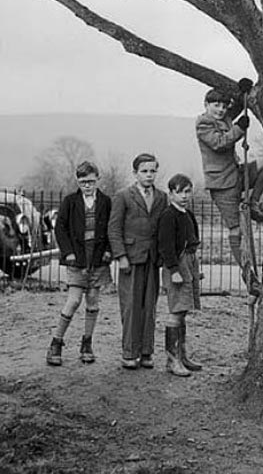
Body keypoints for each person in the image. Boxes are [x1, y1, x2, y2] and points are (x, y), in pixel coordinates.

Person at [195, 87, 263, 296]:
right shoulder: (203, 123)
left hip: (237, 173)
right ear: (206, 105)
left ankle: (253, 203)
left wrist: (239, 89)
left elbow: (233, 111)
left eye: (223, 106)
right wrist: (239, 129)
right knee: (236, 230)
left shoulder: (223, 117)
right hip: (221, 185)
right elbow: (219, 143)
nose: (220, 109)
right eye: (215, 105)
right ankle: (249, 277)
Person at [46, 161, 112, 366]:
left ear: (97, 179)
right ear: (78, 181)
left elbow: (112, 227)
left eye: (91, 181)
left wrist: (109, 250)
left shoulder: (106, 202)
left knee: (93, 302)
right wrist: (68, 253)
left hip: (98, 259)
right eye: (83, 182)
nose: (87, 186)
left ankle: (87, 343)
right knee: (74, 301)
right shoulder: (70, 201)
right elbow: (60, 229)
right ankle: (56, 342)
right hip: (77, 259)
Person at [108, 153, 167, 369]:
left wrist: (161, 256)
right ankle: (129, 353)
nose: (149, 175)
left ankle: (146, 351)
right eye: (144, 171)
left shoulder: (161, 197)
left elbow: (162, 228)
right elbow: (113, 229)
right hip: (130, 259)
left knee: (149, 306)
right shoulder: (123, 196)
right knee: (131, 306)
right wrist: (121, 256)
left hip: (152, 259)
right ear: (135, 173)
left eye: (153, 171)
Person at [158, 174, 202, 378]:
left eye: (187, 191)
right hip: (176, 266)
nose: (184, 196)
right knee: (176, 310)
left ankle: (183, 355)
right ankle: (172, 359)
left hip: (189, 263)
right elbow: (166, 247)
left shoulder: (188, 214)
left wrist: (194, 270)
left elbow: (193, 240)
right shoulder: (168, 216)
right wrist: (174, 270)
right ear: (171, 193)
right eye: (180, 192)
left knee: (184, 309)